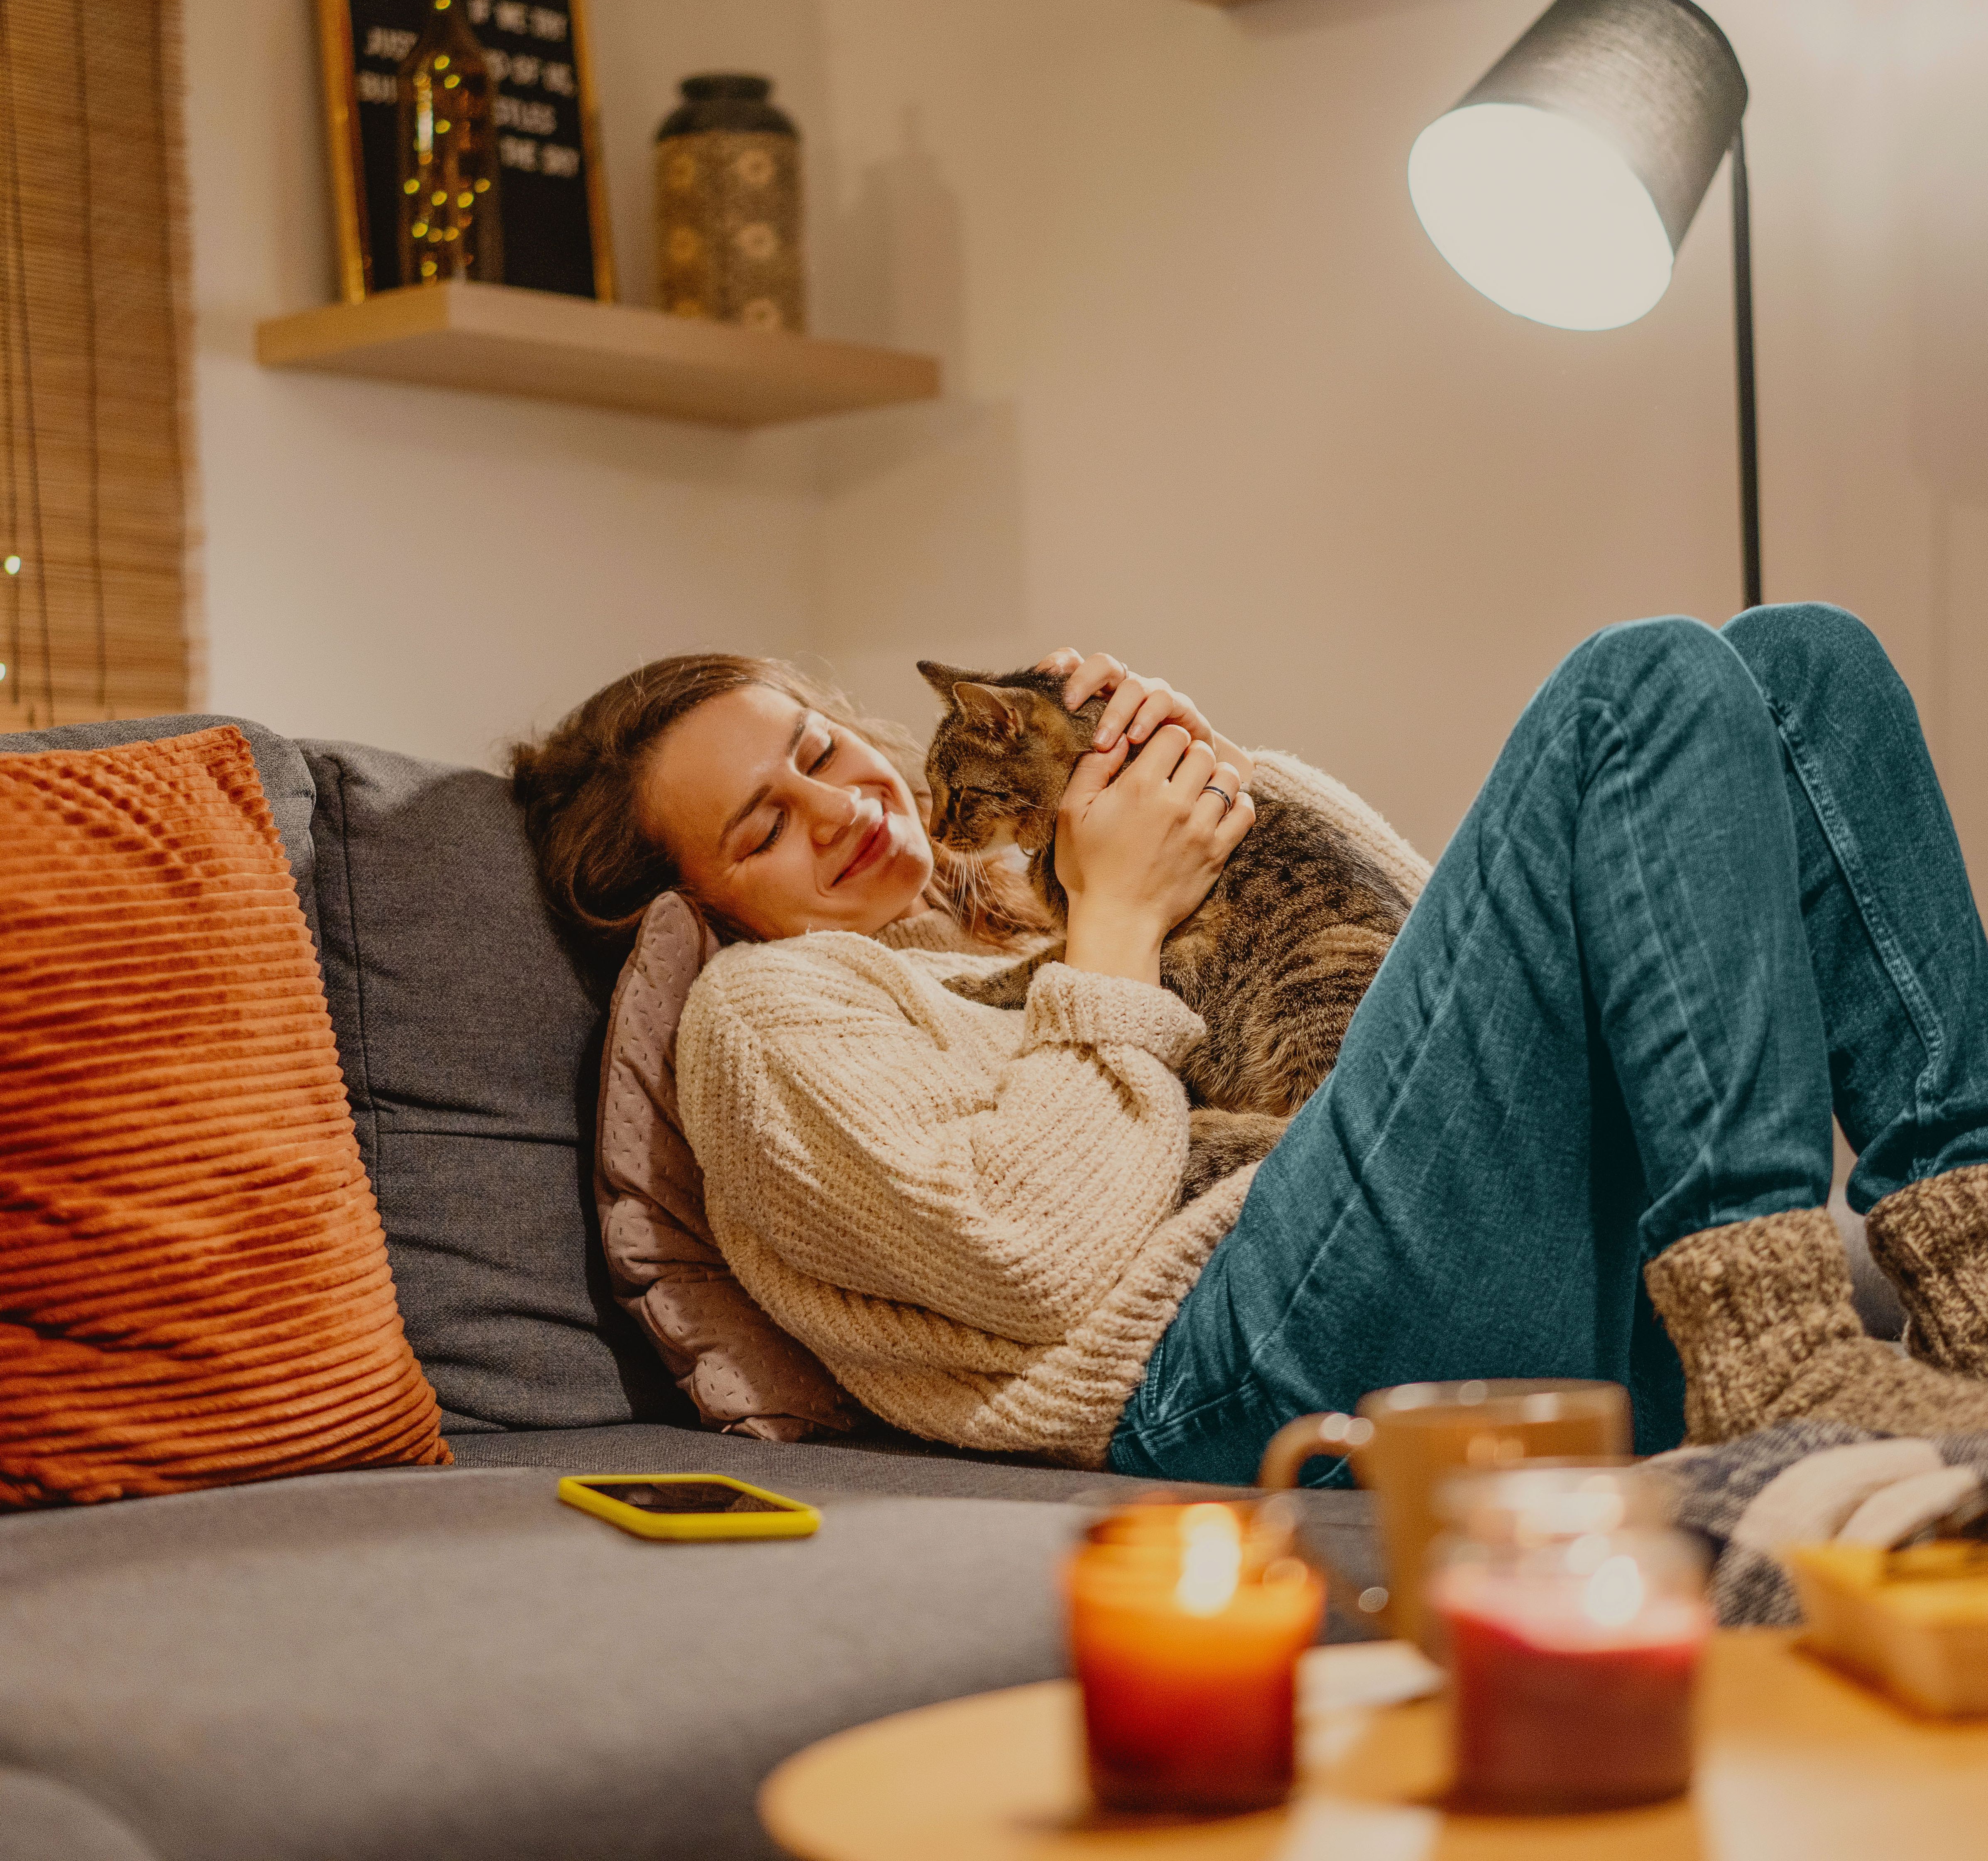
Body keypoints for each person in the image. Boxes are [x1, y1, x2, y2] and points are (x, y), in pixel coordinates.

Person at [510, 608, 1988, 1484]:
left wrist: (1231, 796)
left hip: (1395, 1268)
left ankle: (1976, 1303)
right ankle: (1778, 1353)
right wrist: (1118, 920)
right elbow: (1030, 1252)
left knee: (1803, 661)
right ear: (687, 904)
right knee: (1636, 680)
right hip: (1216, 1370)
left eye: (818, 750)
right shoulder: (766, 1018)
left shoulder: (1029, 905)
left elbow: (1435, 1006)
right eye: (760, 824)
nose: (835, 806)